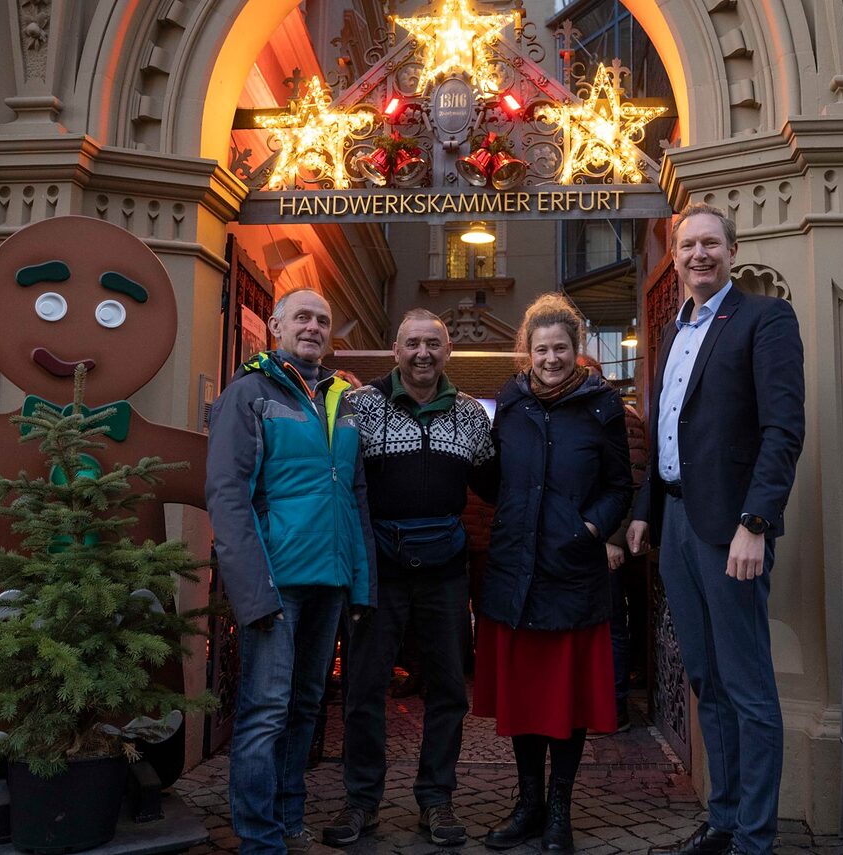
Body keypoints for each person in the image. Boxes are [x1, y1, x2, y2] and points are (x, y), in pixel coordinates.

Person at [627, 204, 805, 855]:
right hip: (676, 522)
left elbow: (783, 430)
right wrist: (646, 508)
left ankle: (756, 838)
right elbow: (665, 429)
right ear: (673, 257)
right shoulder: (675, 333)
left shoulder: (764, 319)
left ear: (732, 248)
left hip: (732, 528)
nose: (698, 254)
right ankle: (725, 820)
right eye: (687, 245)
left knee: (747, 685)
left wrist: (756, 522)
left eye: (710, 242)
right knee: (705, 677)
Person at [206, 287, 377, 855]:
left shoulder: (338, 399)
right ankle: (259, 839)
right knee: (264, 714)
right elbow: (228, 497)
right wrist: (254, 592)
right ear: (276, 323)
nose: (313, 327)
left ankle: (288, 819)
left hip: (327, 581)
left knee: (305, 708)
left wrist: (360, 581)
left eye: (323, 320)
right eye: (302, 316)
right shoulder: (248, 393)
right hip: (275, 583)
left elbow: (353, 495)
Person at [325, 308, 497, 848]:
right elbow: (333, 481)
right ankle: (361, 802)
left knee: (448, 688)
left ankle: (436, 799)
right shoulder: (362, 405)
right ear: (395, 350)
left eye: (433, 345)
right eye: (413, 344)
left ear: (447, 353)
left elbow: (497, 487)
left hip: (446, 568)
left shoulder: (471, 415)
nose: (423, 353)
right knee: (364, 687)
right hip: (378, 568)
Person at [473, 293, 633, 853]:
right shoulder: (511, 404)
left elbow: (620, 486)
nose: (551, 358)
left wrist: (590, 529)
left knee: (565, 703)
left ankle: (560, 809)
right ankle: (528, 805)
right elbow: (491, 479)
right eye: (541, 349)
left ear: (577, 350)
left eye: (561, 348)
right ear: (527, 352)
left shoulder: (601, 406)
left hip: (570, 569)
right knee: (523, 700)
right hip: (515, 568)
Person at [579, 354, 649, 733]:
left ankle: (614, 705)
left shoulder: (621, 416)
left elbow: (633, 481)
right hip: (579, 539)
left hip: (606, 542)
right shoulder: (578, 412)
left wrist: (614, 539)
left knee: (609, 625)